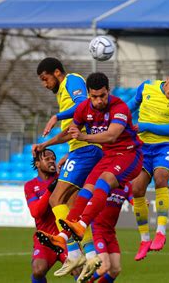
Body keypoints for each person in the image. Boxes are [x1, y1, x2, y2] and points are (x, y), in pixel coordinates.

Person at [37, 72, 143, 282]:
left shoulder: (119, 107)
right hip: (108, 156)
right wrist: (47, 143)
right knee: (86, 191)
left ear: (108, 92)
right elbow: (70, 132)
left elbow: (112, 135)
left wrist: (84, 136)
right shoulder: (84, 108)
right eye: (94, 97)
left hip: (130, 154)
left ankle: (81, 226)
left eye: (102, 96)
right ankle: (64, 238)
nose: (98, 101)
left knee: (103, 181)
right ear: (88, 95)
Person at [33, 57, 103, 276]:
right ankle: (91, 255)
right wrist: (48, 144)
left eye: (45, 79)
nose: (45, 85)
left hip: (86, 150)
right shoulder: (64, 94)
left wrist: (56, 116)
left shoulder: (71, 81)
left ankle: (73, 253)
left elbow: (82, 106)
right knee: (73, 208)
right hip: (79, 150)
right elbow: (71, 129)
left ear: (56, 72)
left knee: (56, 199)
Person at [126, 69, 169, 261]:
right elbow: (130, 106)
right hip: (142, 147)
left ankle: (161, 232)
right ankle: (144, 239)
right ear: (168, 80)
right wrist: (117, 116)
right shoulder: (146, 87)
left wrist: (146, 126)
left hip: (165, 146)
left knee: (161, 177)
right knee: (137, 189)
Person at [24, 148, 69, 283]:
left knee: (80, 270)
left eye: (53, 159)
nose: (52, 161)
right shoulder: (30, 186)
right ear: (37, 163)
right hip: (45, 239)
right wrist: (51, 189)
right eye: (47, 159)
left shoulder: (64, 180)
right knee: (38, 270)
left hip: (66, 236)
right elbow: (36, 213)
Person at [88, 182, 133, 283]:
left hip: (110, 232)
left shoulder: (127, 186)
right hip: (97, 230)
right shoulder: (105, 182)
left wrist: (141, 203)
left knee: (115, 270)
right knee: (104, 267)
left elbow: (132, 200)